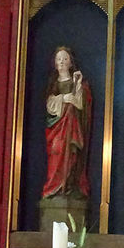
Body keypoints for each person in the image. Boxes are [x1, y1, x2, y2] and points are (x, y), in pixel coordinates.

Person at [42, 46, 92, 199]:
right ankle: (54, 187)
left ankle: (68, 185)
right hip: (57, 127)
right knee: (56, 153)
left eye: (65, 59)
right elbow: (48, 103)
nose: (62, 62)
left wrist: (77, 86)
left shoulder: (77, 81)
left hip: (72, 127)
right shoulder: (53, 83)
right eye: (59, 59)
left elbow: (81, 104)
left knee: (71, 155)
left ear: (71, 63)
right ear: (55, 63)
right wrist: (63, 99)